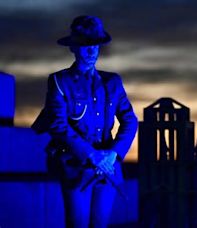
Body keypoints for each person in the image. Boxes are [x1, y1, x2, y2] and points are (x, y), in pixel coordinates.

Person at [32, 15, 138, 227]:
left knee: (100, 224)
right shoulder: (60, 81)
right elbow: (58, 125)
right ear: (73, 48)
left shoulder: (112, 82)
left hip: (107, 168)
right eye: (84, 45)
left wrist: (113, 153)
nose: (91, 52)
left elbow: (130, 120)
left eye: (95, 45)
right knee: (77, 224)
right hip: (76, 167)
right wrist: (92, 155)